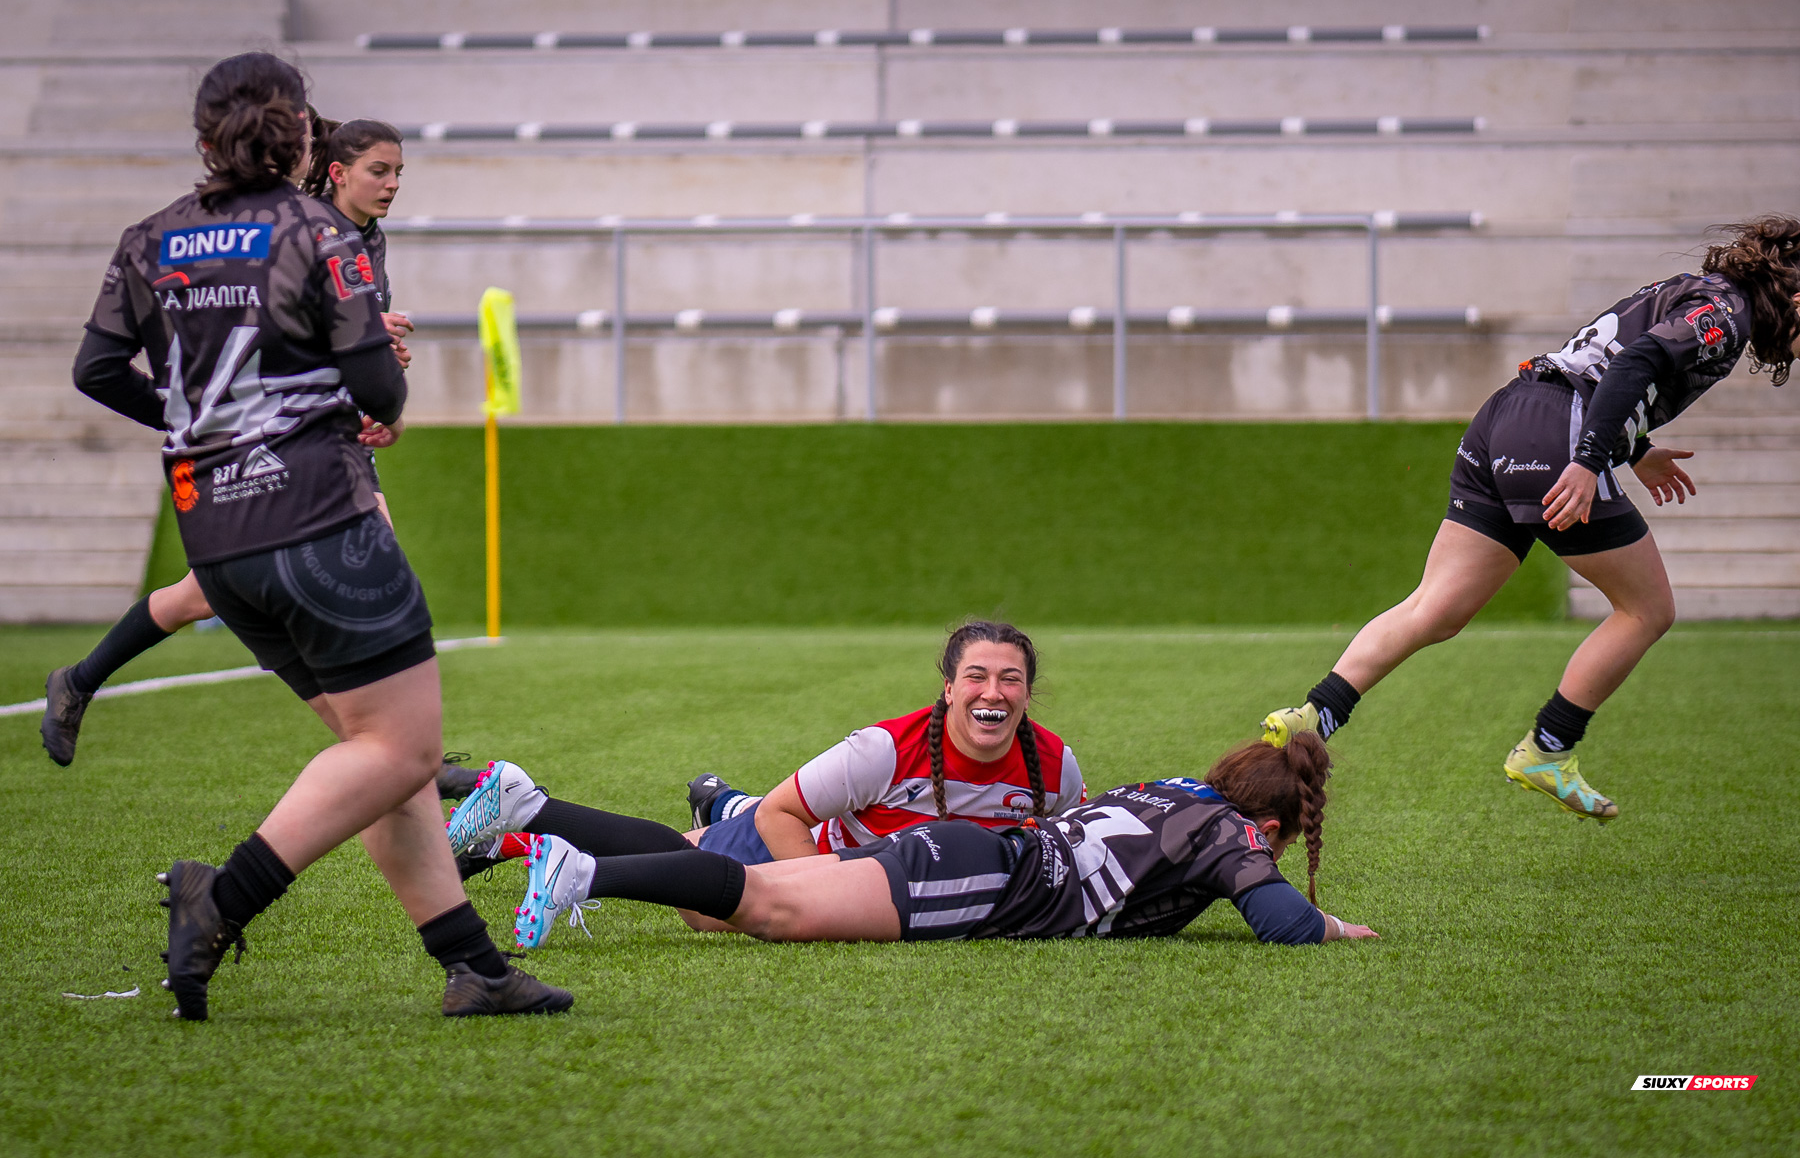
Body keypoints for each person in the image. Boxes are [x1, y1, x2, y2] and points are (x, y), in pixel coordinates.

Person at [72, 52, 569, 1019]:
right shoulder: (320, 233)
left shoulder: (148, 239)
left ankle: (473, 967)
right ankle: (220, 897)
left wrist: (201, 427)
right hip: (321, 525)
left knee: (379, 755)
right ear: (303, 137)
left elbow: (97, 369)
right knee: (403, 751)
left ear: (204, 136)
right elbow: (378, 389)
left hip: (217, 539)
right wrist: (368, 375)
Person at [1260, 216, 1800, 821]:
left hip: (1508, 412)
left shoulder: (1697, 290)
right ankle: (1549, 748)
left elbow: (1600, 362)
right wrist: (1589, 460)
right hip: (1558, 429)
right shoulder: (1728, 314)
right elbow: (1634, 364)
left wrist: (1638, 449)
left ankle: (1315, 714)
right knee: (1647, 610)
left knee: (1435, 608)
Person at [39, 112, 417, 768]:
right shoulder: (300, 233)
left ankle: (78, 680)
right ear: (335, 172)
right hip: (266, 429)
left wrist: (374, 359)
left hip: (320, 427)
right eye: (379, 171)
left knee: (210, 592)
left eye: (398, 173)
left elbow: (346, 341)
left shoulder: (363, 239)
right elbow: (260, 324)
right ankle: (391, 748)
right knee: (350, 564)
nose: (392, 184)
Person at [436, 622, 1086, 935]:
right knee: (700, 900)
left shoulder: (1055, 767)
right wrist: (817, 889)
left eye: (1010, 679)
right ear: (948, 688)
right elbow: (781, 814)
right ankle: (527, 816)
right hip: (792, 840)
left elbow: (1061, 851)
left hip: (860, 858)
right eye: (976, 676)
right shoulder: (883, 750)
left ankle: (715, 801)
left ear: (1028, 693)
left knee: (704, 848)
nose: (992, 692)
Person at [505, 732, 1378, 949]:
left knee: (723, 905)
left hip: (964, 852)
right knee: (768, 907)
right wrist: (1337, 926)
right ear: (1268, 825)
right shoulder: (1233, 832)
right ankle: (581, 872)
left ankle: (542, 818)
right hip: (978, 881)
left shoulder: (1173, 788)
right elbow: (1283, 923)